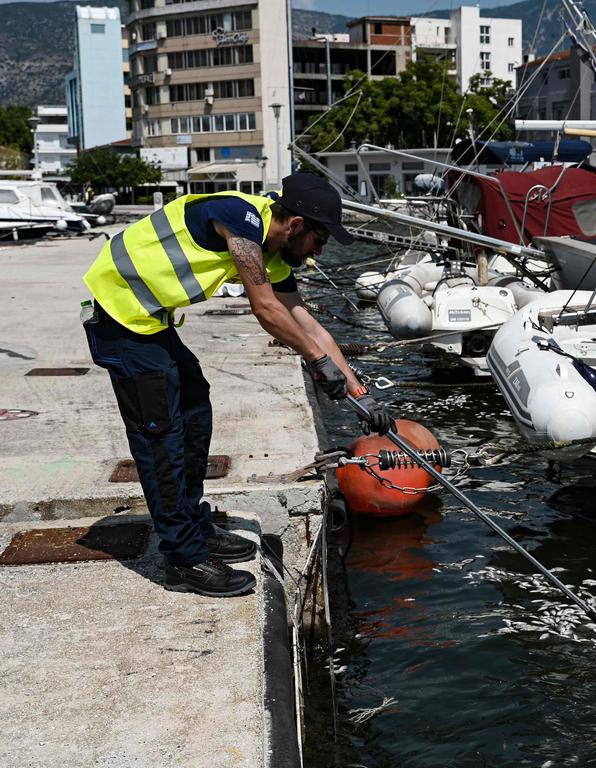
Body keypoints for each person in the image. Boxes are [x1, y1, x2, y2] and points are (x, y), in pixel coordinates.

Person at [81, 173, 391, 597]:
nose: (321, 250)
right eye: (320, 239)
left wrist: (360, 392)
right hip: (119, 316)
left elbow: (306, 323)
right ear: (296, 225)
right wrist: (318, 363)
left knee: (194, 410)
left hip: (148, 322)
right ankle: (184, 559)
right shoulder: (239, 216)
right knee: (161, 440)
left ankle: (194, 526)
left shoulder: (275, 253)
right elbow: (264, 308)